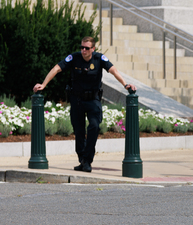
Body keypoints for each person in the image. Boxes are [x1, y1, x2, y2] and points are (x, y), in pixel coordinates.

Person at [33, 36, 137, 173]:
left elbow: (113, 71)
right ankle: (83, 160)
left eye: (86, 48)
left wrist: (125, 84)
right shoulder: (74, 58)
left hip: (93, 100)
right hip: (77, 100)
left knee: (94, 126)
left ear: (93, 49)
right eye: (82, 47)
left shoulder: (99, 59)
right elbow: (56, 69)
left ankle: (87, 160)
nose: (83, 50)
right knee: (79, 131)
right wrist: (43, 84)